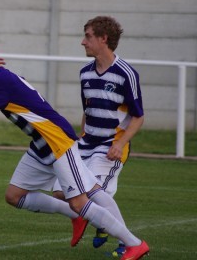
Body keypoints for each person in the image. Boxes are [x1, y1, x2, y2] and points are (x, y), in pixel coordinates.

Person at [0, 36, 150, 260]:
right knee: (14, 196)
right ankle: (75, 216)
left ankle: (133, 243)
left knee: (81, 200)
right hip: (40, 145)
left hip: (56, 141)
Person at [52, 16, 144, 257]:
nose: (83, 42)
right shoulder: (85, 73)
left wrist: (121, 143)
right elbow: (88, 110)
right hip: (85, 143)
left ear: (104, 39)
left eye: (88, 36)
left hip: (110, 145)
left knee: (91, 193)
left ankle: (127, 243)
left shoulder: (126, 74)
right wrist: (80, 139)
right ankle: (101, 224)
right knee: (61, 192)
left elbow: (138, 117)